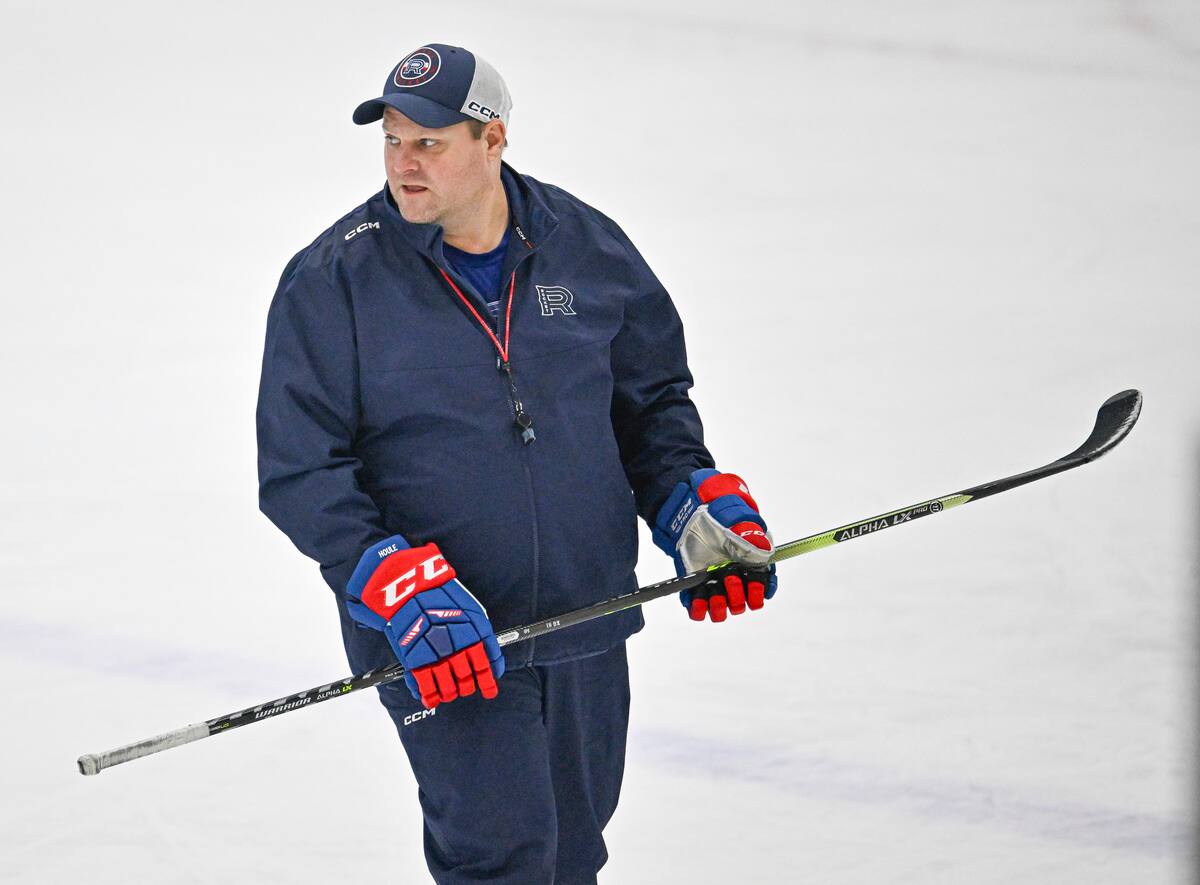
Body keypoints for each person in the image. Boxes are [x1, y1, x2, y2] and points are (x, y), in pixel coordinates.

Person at [256, 43, 779, 885]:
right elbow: (298, 466)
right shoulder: (334, 280)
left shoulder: (588, 248)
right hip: (441, 638)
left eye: (428, 141)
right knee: (502, 860)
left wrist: (690, 501)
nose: (404, 162)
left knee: (572, 855)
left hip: (585, 615)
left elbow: (650, 407)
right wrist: (386, 574)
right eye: (392, 139)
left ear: (492, 140)